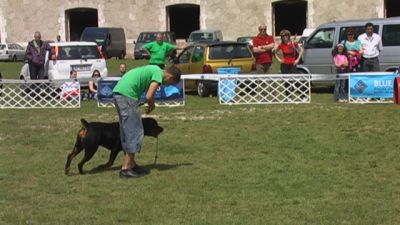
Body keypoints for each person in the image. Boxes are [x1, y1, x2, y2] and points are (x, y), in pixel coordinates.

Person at [113, 65, 181, 178]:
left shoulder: (154, 69)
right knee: (134, 131)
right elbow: (149, 96)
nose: (167, 85)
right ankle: (126, 168)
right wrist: (152, 105)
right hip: (127, 95)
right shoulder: (159, 74)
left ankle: (132, 164)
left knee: (126, 131)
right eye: (171, 82)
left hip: (119, 93)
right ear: (170, 76)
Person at [273, 29, 306, 101]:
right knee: (286, 81)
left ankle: (303, 96)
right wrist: (279, 59)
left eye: (286, 35)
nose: (285, 37)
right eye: (283, 36)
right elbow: (274, 52)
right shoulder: (281, 45)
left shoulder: (293, 44)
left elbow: (302, 50)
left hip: (292, 64)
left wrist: (297, 59)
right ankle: (288, 97)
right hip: (284, 65)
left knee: (297, 80)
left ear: (289, 36)